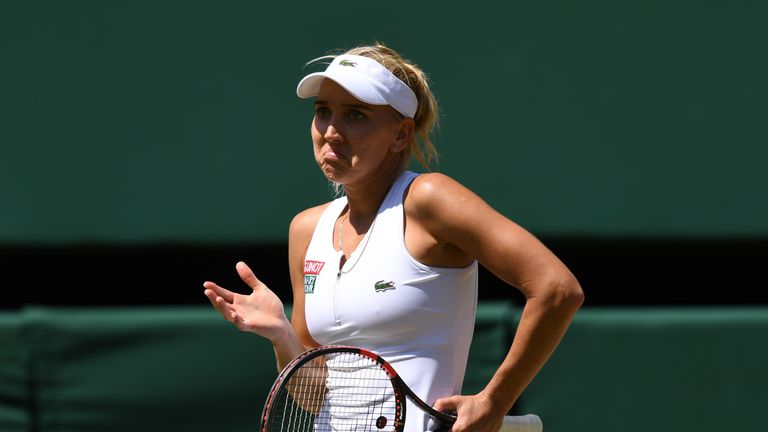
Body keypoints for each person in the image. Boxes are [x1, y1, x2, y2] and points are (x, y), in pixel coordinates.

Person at [203, 43, 583, 432]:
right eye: (323, 112)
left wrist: (494, 400)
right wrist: (281, 335)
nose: (331, 130)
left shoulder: (429, 200)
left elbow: (557, 289)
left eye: (355, 114)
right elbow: (312, 396)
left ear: (400, 135)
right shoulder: (305, 229)